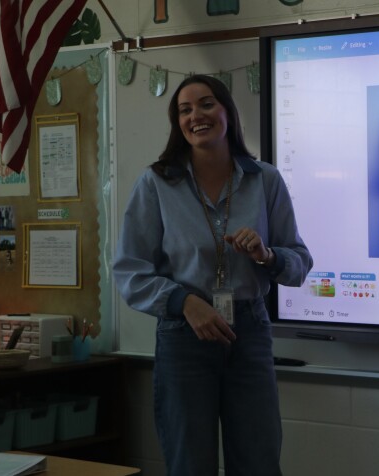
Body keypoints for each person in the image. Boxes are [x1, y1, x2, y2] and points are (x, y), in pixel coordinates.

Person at [113, 75, 312, 476]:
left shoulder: (264, 179)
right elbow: (130, 271)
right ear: (177, 123)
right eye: (184, 110)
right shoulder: (155, 184)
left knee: (258, 461)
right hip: (184, 336)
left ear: (227, 113)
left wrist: (267, 254)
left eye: (206, 105)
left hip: (249, 332)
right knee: (190, 463)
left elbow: (300, 263)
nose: (196, 116)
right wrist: (185, 303)